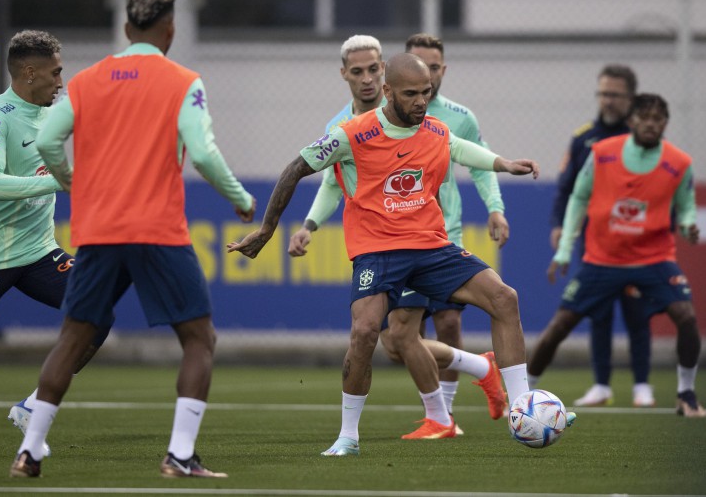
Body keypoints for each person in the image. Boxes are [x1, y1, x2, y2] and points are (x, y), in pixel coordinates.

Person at [230, 52, 553, 457]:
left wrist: (505, 163)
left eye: (427, 93)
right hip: (377, 251)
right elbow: (296, 168)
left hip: (431, 245)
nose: (421, 101)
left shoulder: (433, 128)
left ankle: (523, 408)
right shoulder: (352, 134)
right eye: (412, 94)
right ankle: (348, 435)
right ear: (387, 92)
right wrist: (267, 228)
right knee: (367, 333)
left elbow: (460, 148)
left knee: (505, 298)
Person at [9, 0, 255, 478]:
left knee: (72, 338)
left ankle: (30, 451)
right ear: (170, 30)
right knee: (199, 339)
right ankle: (179, 455)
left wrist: (73, 182)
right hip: (157, 229)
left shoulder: (85, 81)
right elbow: (203, 153)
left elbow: (46, 142)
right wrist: (240, 198)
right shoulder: (183, 81)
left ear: (125, 27)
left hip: (99, 229)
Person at [288, 33, 508, 433]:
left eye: (374, 68)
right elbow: (333, 184)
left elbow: (475, 158)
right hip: (382, 242)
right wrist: (309, 225)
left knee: (416, 330)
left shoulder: (441, 116)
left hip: (435, 236)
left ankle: (443, 417)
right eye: (360, 71)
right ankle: (477, 371)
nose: (368, 78)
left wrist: (496, 207)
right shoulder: (342, 128)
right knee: (395, 342)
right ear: (346, 75)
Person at [0, 31, 112, 458]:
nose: (61, 80)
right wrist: (55, 181)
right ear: (29, 72)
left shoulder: (56, 111)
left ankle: (32, 406)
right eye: (55, 71)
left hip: (40, 252)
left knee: (96, 311)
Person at [528, 93, 704, 418]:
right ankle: (522, 392)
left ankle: (686, 394)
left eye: (658, 119)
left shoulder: (679, 162)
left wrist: (690, 224)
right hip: (602, 260)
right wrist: (566, 249)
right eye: (645, 118)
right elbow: (578, 198)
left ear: (665, 123)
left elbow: (686, 205)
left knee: (687, 317)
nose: (651, 124)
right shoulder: (602, 153)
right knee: (559, 327)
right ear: (633, 120)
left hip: (653, 259)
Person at [545, 64, 655, 408]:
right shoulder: (584, 139)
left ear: (631, 98)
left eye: (614, 94)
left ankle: (642, 385)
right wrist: (560, 225)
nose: (607, 100)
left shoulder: (646, 138)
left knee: (638, 312)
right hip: (596, 243)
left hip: (637, 242)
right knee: (599, 312)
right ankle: (601, 385)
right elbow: (567, 189)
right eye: (603, 93)